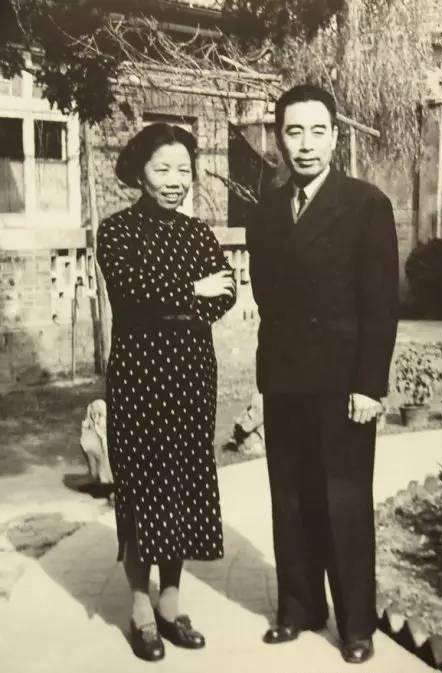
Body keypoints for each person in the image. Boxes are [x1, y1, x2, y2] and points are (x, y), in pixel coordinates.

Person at [246, 84, 399, 664]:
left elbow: (380, 304)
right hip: (285, 378)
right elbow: (268, 296)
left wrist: (369, 384)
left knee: (344, 501)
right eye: (294, 131)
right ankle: (299, 608)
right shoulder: (267, 211)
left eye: (317, 131)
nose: (305, 144)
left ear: (335, 137)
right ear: (278, 138)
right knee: (289, 497)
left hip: (343, 385)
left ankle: (356, 625)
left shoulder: (366, 204)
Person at [96, 122, 236, 661]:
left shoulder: (198, 233)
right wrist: (191, 291)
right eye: (163, 169)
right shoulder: (117, 231)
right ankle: (139, 609)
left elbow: (225, 292)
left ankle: (171, 605)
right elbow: (130, 294)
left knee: (183, 488)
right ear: (140, 173)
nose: (175, 180)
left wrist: (174, 302)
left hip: (192, 377)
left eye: (183, 169)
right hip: (139, 380)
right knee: (143, 489)